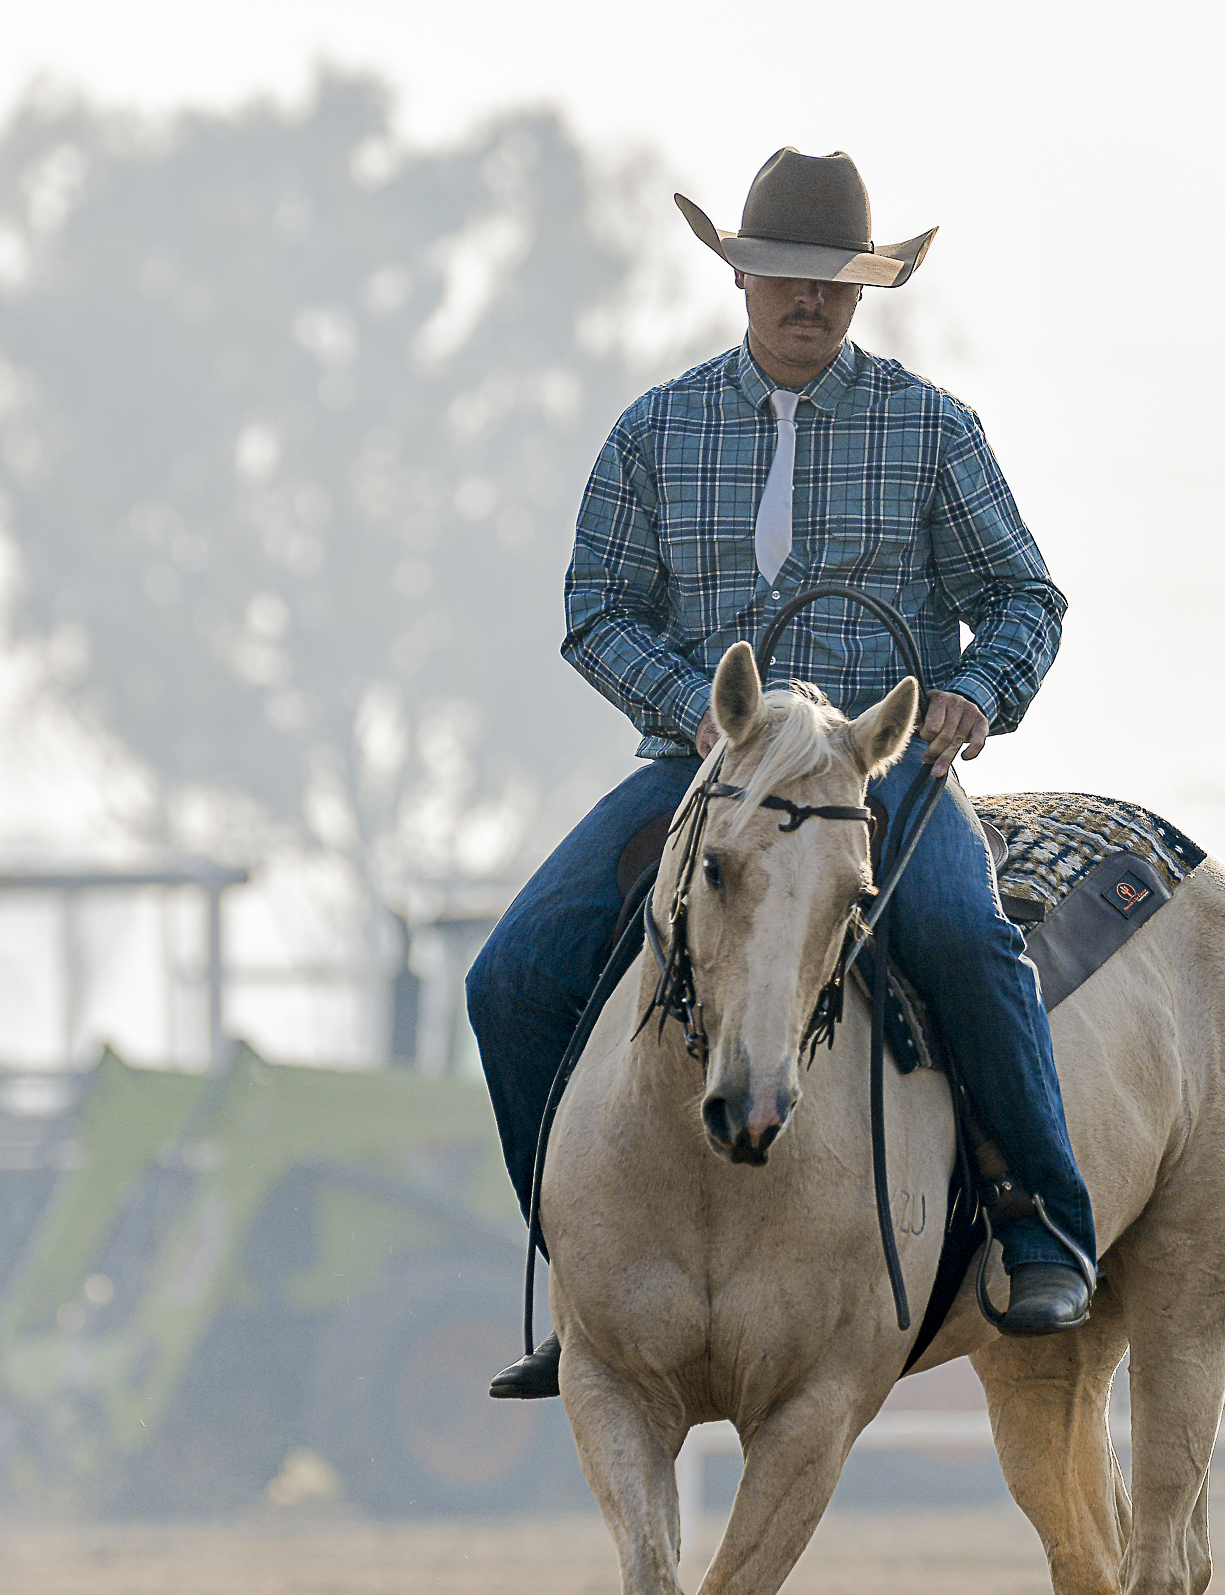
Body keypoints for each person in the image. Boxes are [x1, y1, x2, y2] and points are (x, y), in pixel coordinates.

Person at [468, 148, 1096, 1398]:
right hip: (704, 773)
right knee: (513, 975)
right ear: (740, 277)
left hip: (873, 771)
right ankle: (579, 1266)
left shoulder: (930, 430)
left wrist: (975, 693)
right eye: (784, 275)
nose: (807, 299)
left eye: (832, 281)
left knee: (964, 938)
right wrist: (694, 718)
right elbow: (596, 611)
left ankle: (1041, 1222)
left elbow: (1024, 596)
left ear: (861, 292)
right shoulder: (655, 431)